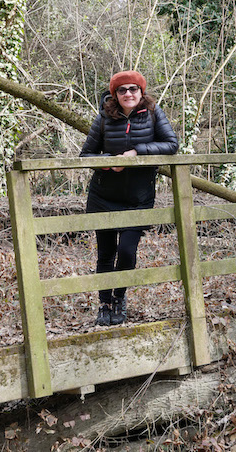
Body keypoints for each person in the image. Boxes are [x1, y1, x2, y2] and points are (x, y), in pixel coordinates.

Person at [80, 70, 179, 326]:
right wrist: (108, 163)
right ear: (114, 94)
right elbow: (86, 155)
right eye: (122, 90)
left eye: (133, 89)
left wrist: (137, 152)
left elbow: (171, 144)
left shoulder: (154, 113)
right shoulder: (104, 117)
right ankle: (104, 304)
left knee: (126, 251)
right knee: (105, 253)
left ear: (141, 92)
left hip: (139, 196)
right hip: (104, 195)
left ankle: (119, 297)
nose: (128, 94)